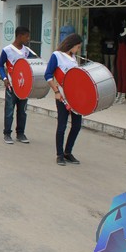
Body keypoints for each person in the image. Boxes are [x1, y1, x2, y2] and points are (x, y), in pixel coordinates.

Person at [45, 34, 83, 166]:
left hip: (75, 97)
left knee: (77, 125)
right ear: (72, 45)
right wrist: (56, 91)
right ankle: (59, 154)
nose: (78, 49)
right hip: (62, 96)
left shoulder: (74, 58)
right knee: (62, 125)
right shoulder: (57, 55)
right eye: (78, 47)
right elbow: (48, 74)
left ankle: (68, 152)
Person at [0, 26, 32, 144]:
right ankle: (7, 133)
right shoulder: (7, 50)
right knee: (9, 111)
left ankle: (20, 133)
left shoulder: (27, 51)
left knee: (22, 111)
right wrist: (4, 78)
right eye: (26, 36)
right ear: (19, 36)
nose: (28, 39)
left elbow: (31, 65)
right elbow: (0, 65)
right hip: (11, 86)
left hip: (23, 87)